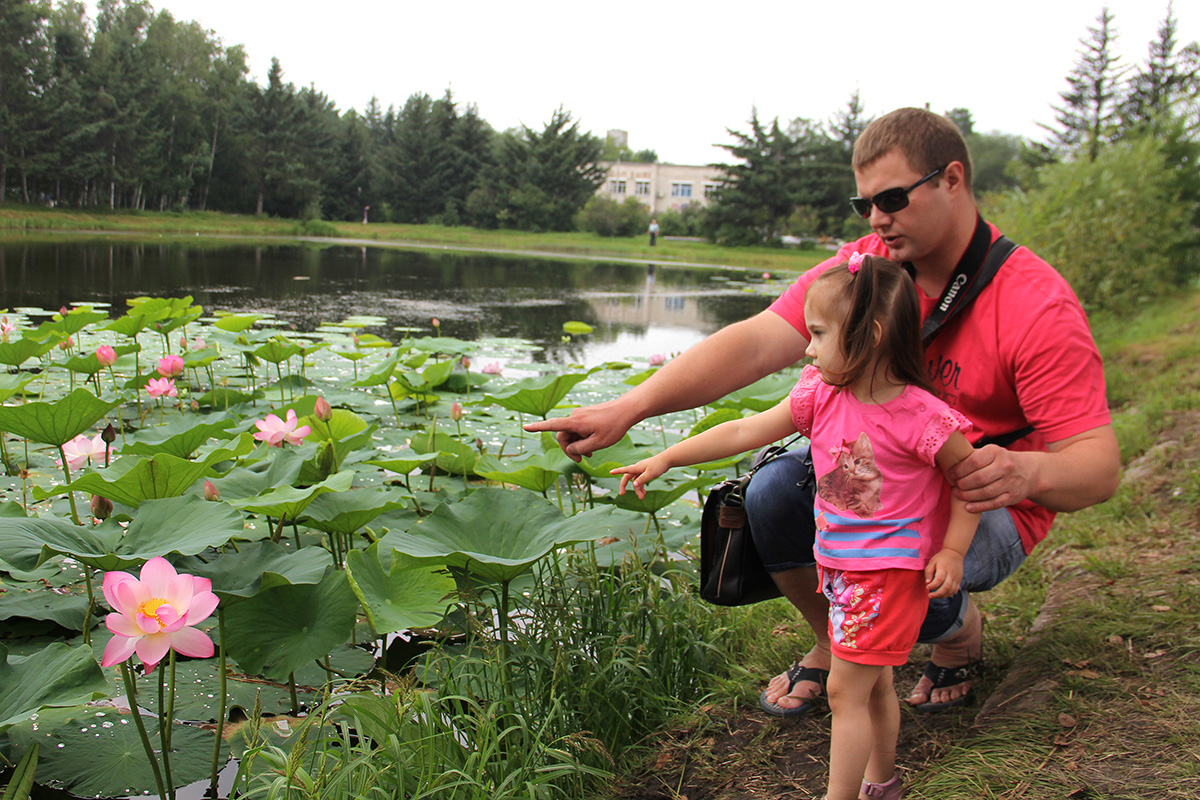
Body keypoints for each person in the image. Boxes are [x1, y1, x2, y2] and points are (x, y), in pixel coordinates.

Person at [526, 107, 1120, 717]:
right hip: (875, 474)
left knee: (899, 563)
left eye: (892, 197)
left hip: (978, 504)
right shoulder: (866, 269)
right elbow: (758, 341)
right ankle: (832, 641)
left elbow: (1098, 468)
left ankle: (956, 629)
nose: (878, 219)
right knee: (774, 490)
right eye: (865, 205)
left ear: (952, 179)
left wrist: (1026, 474)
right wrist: (631, 408)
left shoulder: (1035, 305)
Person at [613, 253, 978, 800]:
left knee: (844, 693)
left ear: (870, 336)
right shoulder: (822, 394)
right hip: (842, 570)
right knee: (872, 684)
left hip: (886, 577)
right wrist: (668, 458)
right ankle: (883, 782)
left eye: (819, 333)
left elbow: (972, 481)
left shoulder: (920, 417)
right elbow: (743, 431)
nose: (806, 348)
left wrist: (951, 551)